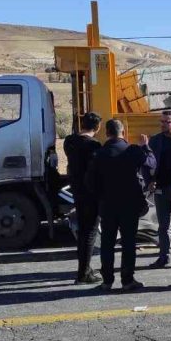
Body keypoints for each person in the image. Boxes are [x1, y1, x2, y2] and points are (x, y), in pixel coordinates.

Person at [85, 119, 156, 292]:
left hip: (107, 206)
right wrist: (145, 146)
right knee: (129, 243)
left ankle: (107, 281)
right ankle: (127, 280)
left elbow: (90, 182)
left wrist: (100, 197)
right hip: (129, 205)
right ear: (123, 132)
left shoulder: (99, 154)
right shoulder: (132, 151)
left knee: (108, 244)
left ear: (107, 133)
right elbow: (151, 164)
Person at [63, 112, 103, 284]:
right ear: (97, 127)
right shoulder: (94, 145)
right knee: (90, 233)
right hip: (90, 194)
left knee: (82, 232)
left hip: (76, 190)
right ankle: (83, 273)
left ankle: (84, 267)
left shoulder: (69, 141)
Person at [148, 110, 171, 268]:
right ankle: (164, 256)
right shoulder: (155, 141)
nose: (162, 125)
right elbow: (148, 163)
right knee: (163, 226)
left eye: (166, 122)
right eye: (161, 122)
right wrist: (150, 180)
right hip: (162, 189)